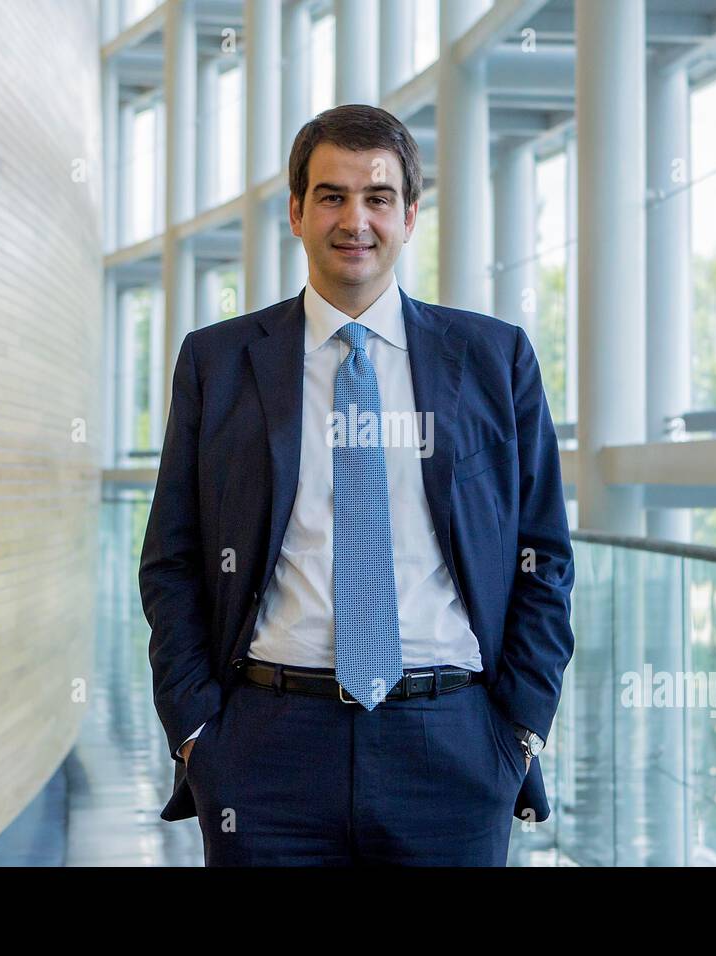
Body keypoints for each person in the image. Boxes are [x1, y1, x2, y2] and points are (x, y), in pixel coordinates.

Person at [139, 103, 574, 866]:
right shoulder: (218, 361)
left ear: (409, 214)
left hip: (454, 750)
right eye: (332, 196)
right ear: (297, 214)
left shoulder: (494, 360)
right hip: (264, 753)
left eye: (377, 197)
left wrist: (519, 729)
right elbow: (171, 560)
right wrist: (198, 734)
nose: (356, 219)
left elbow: (546, 554)